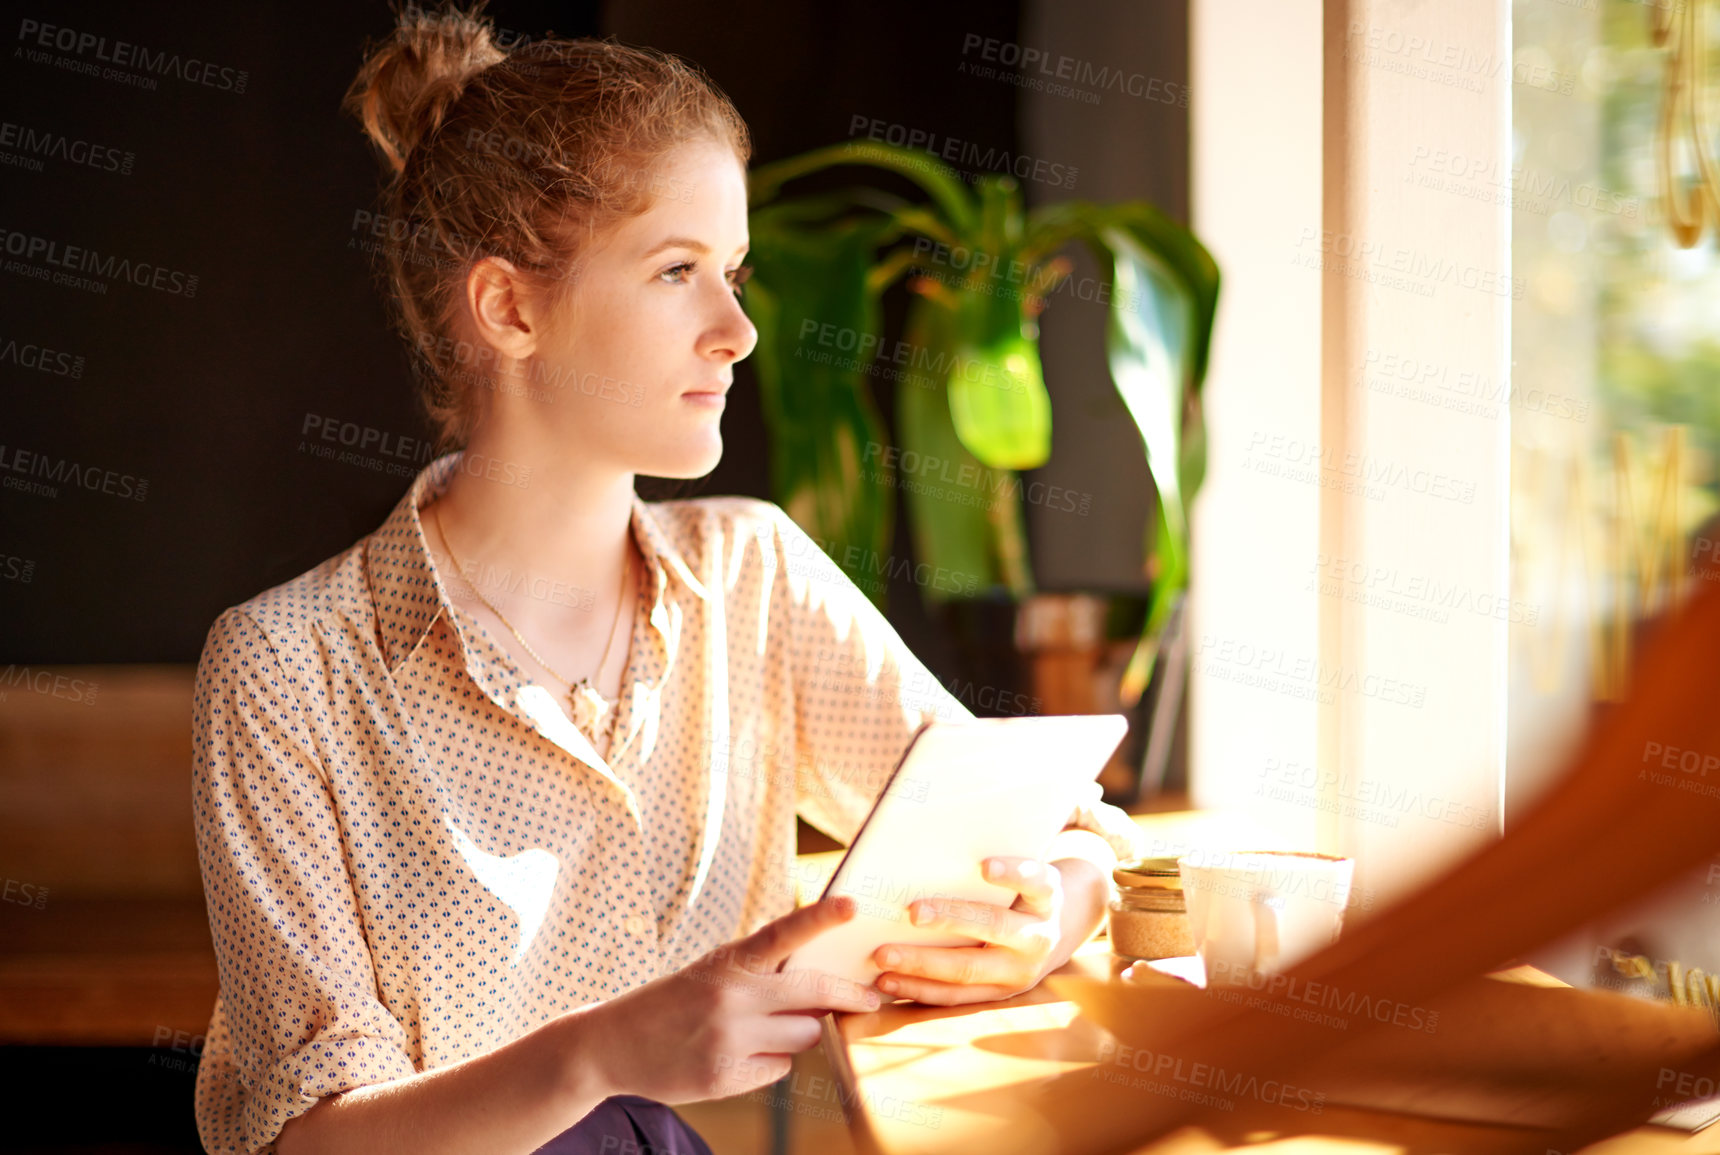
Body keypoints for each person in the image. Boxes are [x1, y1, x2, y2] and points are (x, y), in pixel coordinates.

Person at [188, 4, 1144, 1153]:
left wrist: (1054, 909)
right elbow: (312, 1143)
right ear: (510, 308)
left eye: (733, 272)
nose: (736, 329)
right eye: (678, 270)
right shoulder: (285, 669)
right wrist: (607, 1053)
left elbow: (1048, 829)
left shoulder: (756, 574)